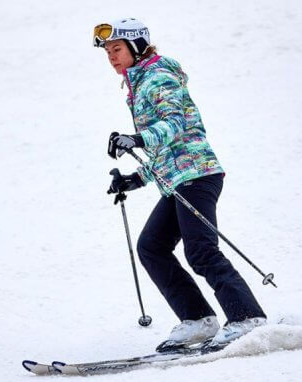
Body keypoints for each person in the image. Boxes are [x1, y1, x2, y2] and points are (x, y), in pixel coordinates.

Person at [94, 18, 267, 352]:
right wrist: (135, 179)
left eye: (116, 49)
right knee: (152, 247)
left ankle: (247, 318)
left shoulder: (158, 76)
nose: (111, 57)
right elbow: (167, 147)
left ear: (136, 46)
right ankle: (198, 320)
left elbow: (175, 123)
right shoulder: (139, 84)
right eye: (108, 52)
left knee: (201, 250)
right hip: (177, 179)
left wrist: (137, 138)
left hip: (198, 175)